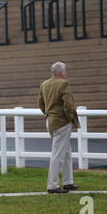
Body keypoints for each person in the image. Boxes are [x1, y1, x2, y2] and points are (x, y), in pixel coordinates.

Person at [39, 62, 80, 194]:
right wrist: (68, 118)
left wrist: (49, 114)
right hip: (62, 122)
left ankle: (68, 182)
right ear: (62, 72)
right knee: (58, 154)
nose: (65, 73)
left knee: (66, 152)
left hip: (50, 121)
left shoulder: (44, 84)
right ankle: (52, 185)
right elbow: (69, 104)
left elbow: (41, 104)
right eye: (65, 71)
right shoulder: (64, 84)